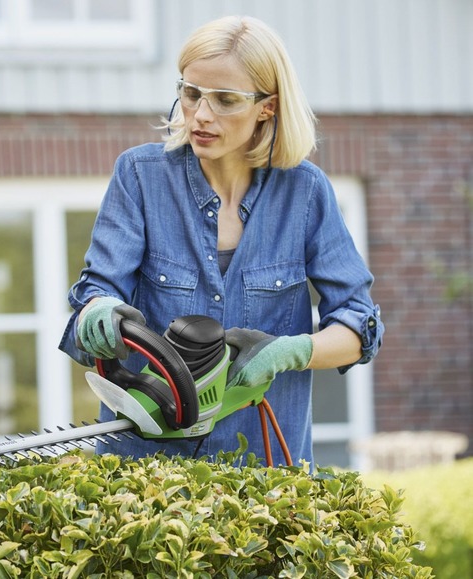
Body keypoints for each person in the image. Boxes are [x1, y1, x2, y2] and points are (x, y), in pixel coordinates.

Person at [58, 15, 384, 466]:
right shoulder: (140, 176)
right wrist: (96, 313)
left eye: (226, 100)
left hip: (268, 478)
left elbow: (359, 328)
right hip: (147, 479)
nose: (202, 115)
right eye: (191, 94)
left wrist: (293, 351)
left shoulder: (304, 193)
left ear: (267, 107)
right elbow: (97, 292)